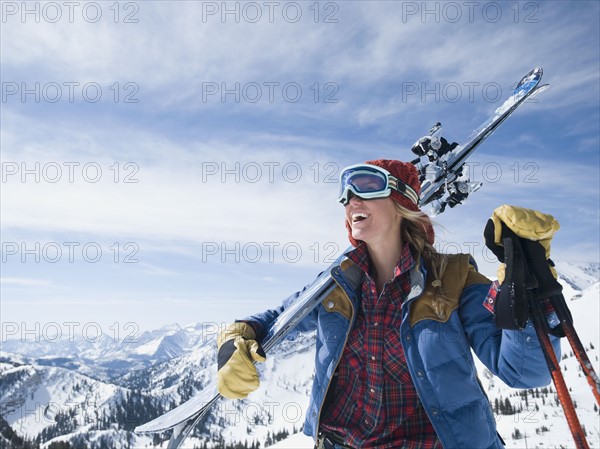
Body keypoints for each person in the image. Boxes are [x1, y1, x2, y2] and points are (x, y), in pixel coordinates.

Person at [216, 159, 561, 449]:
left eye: (365, 187)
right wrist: (233, 341)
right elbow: (277, 319)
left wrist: (522, 287)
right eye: (345, 196)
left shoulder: (454, 279)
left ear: (402, 205)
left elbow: (526, 372)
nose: (351, 202)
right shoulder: (337, 282)